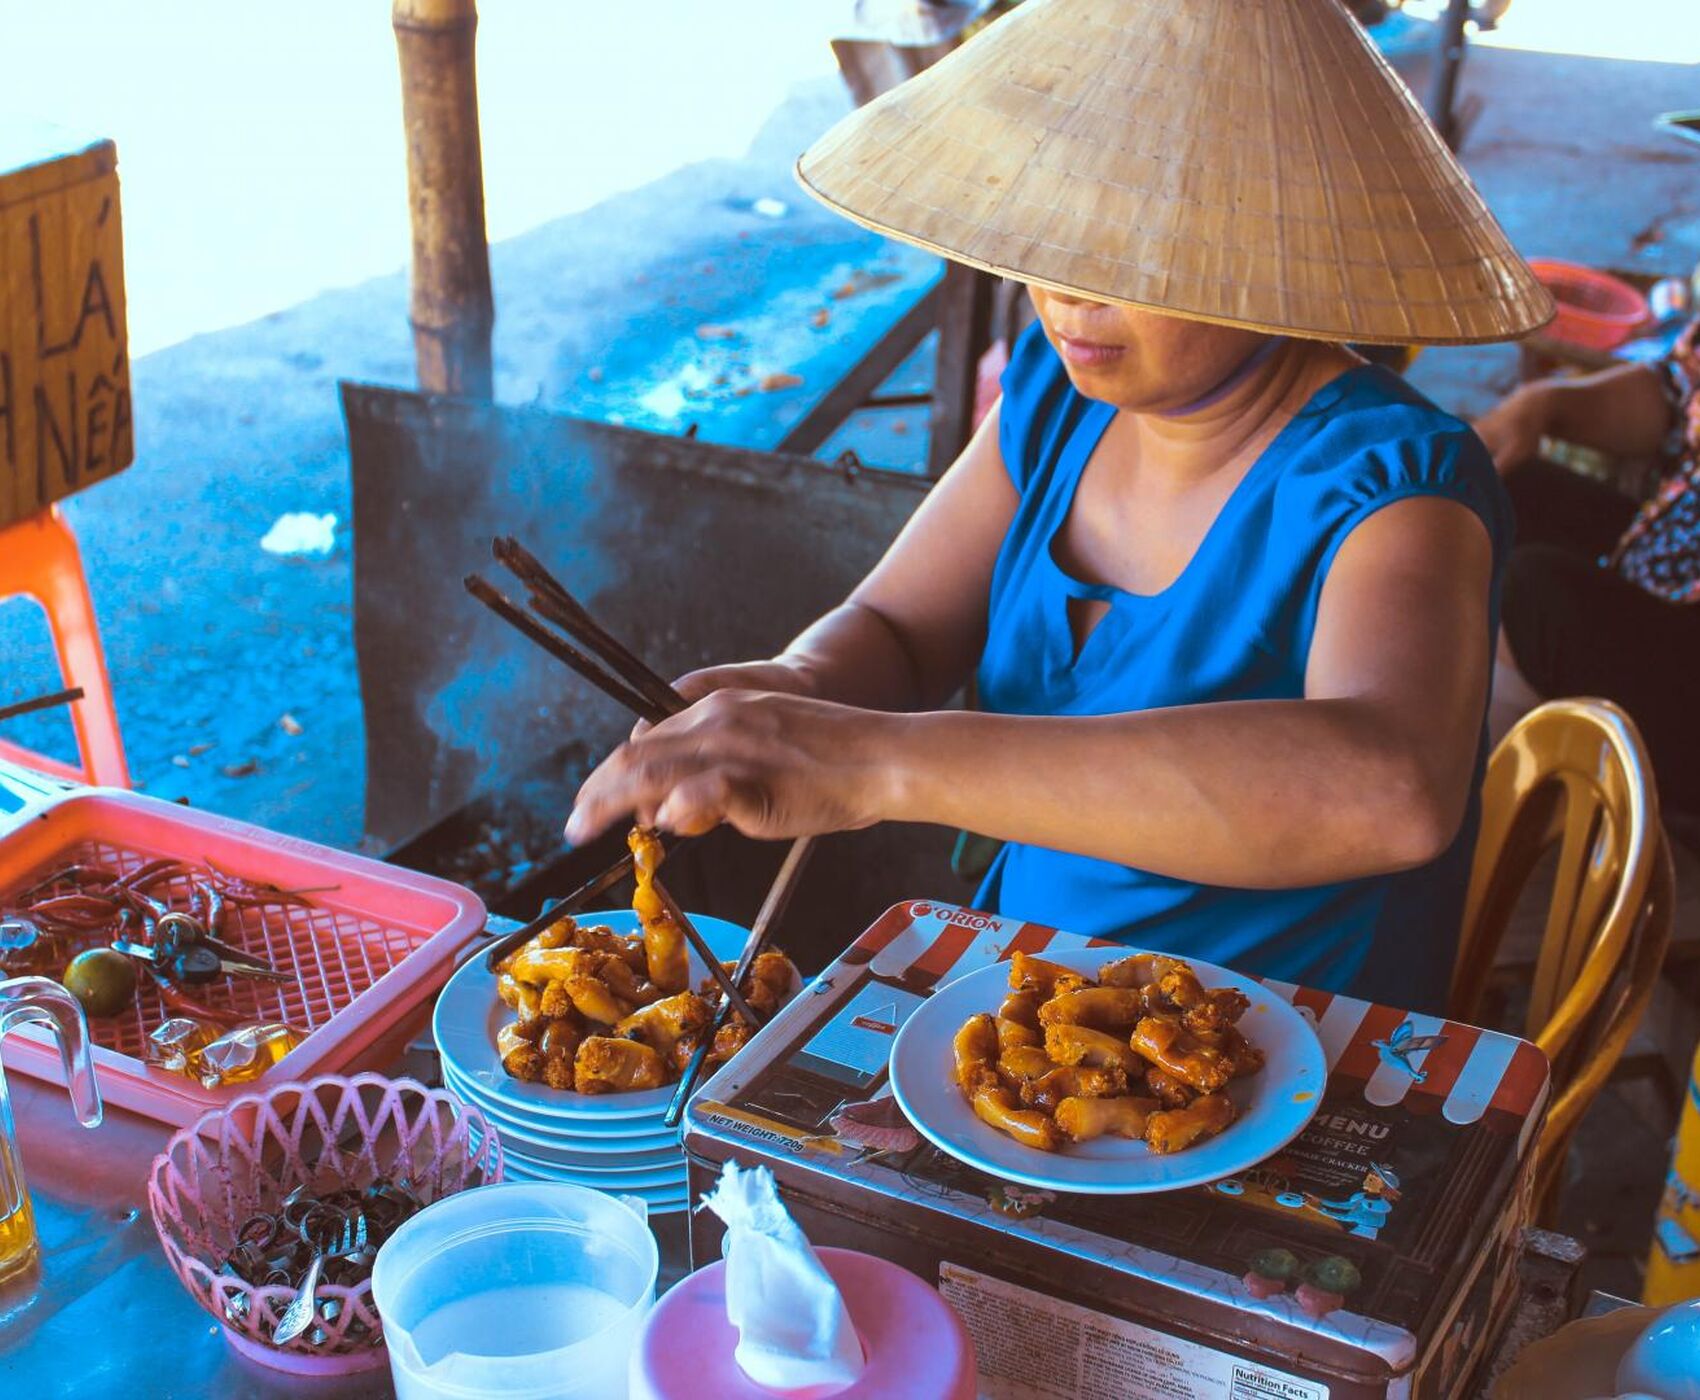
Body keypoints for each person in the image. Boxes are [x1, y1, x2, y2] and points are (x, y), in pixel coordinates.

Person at [566, 0, 1553, 1013]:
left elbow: (1390, 788)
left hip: (1282, 1077)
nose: (1067, 290)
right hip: (1031, 1021)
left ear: (1267, 244)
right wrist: (795, 688)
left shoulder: (1395, 482)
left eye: (1128, 245)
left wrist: (871, 761)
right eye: (1053, 225)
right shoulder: (1055, 394)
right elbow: (902, 628)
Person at [1474, 320, 1700, 810]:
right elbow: (1676, 389)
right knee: (1471, 482)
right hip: (1657, 550)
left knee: (1534, 595)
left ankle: (1489, 813)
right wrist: (1544, 405)